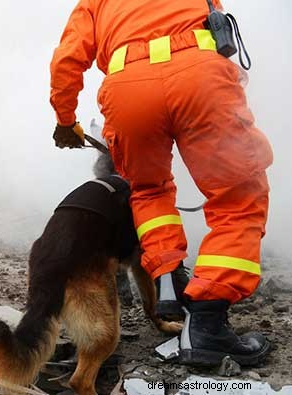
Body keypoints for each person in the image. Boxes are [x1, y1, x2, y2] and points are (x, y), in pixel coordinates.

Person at [50, 0, 273, 366]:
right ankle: (208, 323)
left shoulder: (94, 2)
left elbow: (67, 59)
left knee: (148, 190)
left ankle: (168, 281)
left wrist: (64, 119)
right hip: (199, 79)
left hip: (128, 90)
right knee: (238, 198)